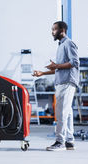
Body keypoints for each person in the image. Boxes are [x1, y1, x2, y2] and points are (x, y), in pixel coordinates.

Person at [33, 21, 79, 151]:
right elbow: (59, 68)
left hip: (67, 82)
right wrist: (43, 72)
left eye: (54, 29)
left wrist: (56, 65)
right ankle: (69, 141)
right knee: (67, 113)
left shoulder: (69, 43)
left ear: (62, 30)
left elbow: (74, 62)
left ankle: (60, 142)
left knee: (61, 113)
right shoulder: (61, 46)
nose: (52, 32)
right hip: (62, 82)